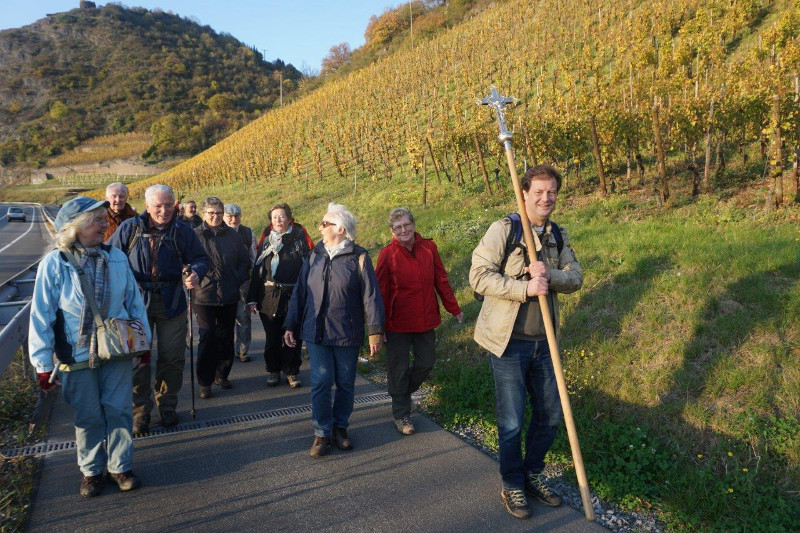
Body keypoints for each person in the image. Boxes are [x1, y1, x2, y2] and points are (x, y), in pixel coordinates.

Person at [469, 164, 583, 520]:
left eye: (551, 192)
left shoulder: (557, 235)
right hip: (509, 344)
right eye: (538, 192)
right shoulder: (505, 228)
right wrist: (524, 287)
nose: (545, 198)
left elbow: (576, 277)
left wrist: (551, 275)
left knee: (550, 414)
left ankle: (533, 474)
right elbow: (478, 276)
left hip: (544, 343)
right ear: (524, 194)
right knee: (512, 420)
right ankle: (513, 483)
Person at [29, 196, 152, 497]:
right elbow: (41, 315)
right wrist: (43, 365)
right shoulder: (55, 263)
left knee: (120, 411)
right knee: (88, 416)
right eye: (96, 220)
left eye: (102, 219)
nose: (103, 225)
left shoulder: (116, 258)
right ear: (76, 227)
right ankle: (91, 471)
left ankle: (120, 466)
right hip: (76, 354)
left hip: (117, 349)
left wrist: (143, 342)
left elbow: (134, 304)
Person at [283, 203, 384, 458]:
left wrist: (375, 331)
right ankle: (322, 433)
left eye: (324, 223)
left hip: (346, 331)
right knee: (321, 381)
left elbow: (371, 296)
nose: (320, 227)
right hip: (315, 331)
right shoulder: (314, 255)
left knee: (346, 383)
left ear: (340, 229)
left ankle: (340, 427)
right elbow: (300, 292)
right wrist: (290, 325)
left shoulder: (359, 257)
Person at [108, 184, 209, 435]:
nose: (164, 211)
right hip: (135, 303)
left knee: (172, 356)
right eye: (158, 206)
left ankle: (167, 406)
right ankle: (140, 412)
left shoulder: (182, 231)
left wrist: (195, 272)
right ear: (147, 206)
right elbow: (109, 258)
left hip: (172, 301)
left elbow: (201, 258)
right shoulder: (128, 228)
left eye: (168, 205)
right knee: (137, 359)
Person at [376, 207, 463, 436]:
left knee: (426, 363)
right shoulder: (387, 255)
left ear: (414, 225)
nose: (403, 230)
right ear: (392, 231)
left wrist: (453, 308)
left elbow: (441, 280)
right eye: (397, 227)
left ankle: (401, 394)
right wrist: (378, 326)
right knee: (399, 367)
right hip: (397, 323)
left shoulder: (429, 248)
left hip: (425, 319)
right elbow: (380, 292)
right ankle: (402, 414)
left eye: (406, 225)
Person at [247, 203, 311, 388]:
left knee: (293, 337)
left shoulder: (298, 241)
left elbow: (308, 270)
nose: (278, 220)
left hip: (293, 296)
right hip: (268, 297)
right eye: (274, 217)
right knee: (273, 337)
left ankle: (292, 371)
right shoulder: (266, 242)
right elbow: (258, 272)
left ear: (289, 219)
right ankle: (273, 369)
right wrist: (252, 297)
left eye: (281, 217)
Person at [192, 197, 250, 397]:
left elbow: (244, 261)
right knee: (207, 336)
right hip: (203, 294)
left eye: (218, 212)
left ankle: (222, 374)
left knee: (225, 337)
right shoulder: (195, 236)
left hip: (229, 293)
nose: (215, 216)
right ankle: (204, 381)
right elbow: (186, 261)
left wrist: (237, 278)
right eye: (211, 213)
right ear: (203, 214)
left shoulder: (233, 236)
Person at [224, 203, 256, 362]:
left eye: (236, 216)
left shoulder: (248, 233)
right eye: (229, 216)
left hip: (243, 281)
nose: (233, 219)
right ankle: (225, 351)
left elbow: (254, 259)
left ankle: (243, 350)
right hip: (223, 282)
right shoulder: (219, 233)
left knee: (244, 317)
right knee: (225, 319)